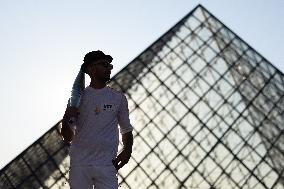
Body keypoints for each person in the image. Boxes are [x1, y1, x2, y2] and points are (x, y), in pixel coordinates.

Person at [60, 50, 134, 189]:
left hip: (107, 164)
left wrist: (128, 149)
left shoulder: (118, 98)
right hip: (80, 165)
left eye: (110, 66)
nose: (109, 68)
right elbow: (67, 136)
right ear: (91, 68)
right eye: (104, 65)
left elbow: (126, 129)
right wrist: (66, 117)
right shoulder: (76, 100)